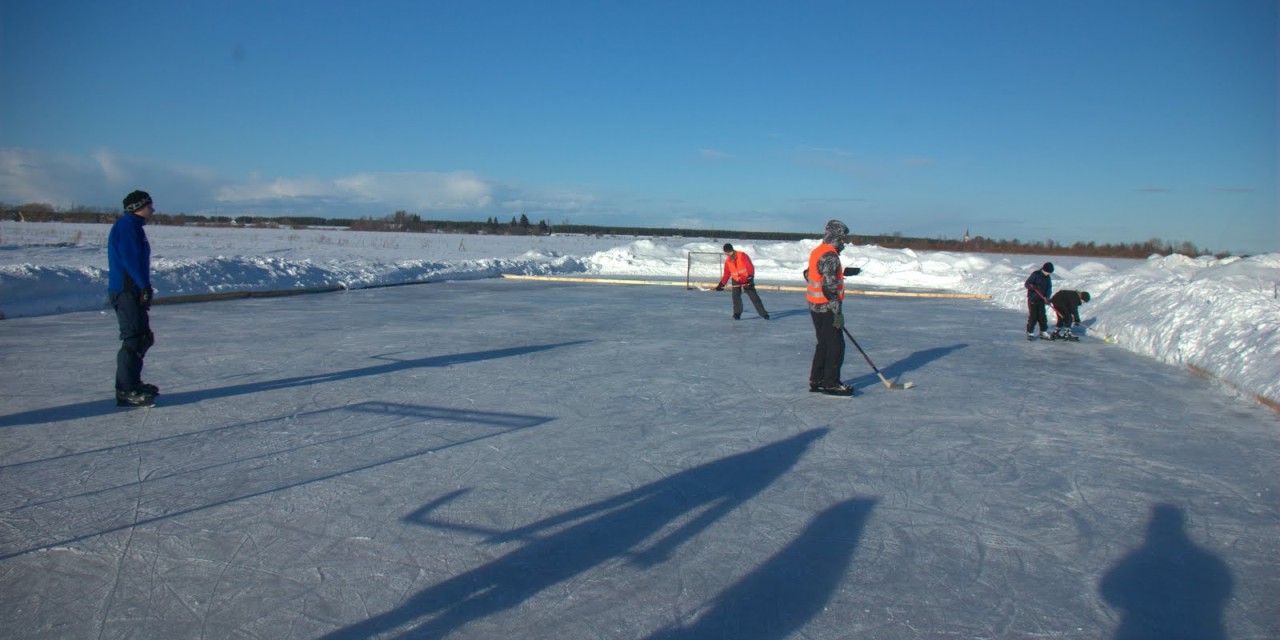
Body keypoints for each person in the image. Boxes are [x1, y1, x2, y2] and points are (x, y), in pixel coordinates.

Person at [108, 190, 158, 407]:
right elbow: (129, 259)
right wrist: (142, 286)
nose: (153, 210)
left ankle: (132, 383)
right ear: (139, 206)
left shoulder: (133, 226)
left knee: (143, 337)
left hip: (132, 289)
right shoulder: (128, 226)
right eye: (150, 205)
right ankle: (126, 390)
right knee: (134, 338)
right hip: (127, 290)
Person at [805, 220, 856, 395]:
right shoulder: (831, 256)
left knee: (824, 344)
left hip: (814, 306)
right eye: (841, 240)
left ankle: (817, 379)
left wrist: (839, 272)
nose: (843, 243)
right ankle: (831, 383)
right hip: (826, 308)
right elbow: (828, 287)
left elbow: (808, 273)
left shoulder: (818, 251)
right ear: (835, 238)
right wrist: (836, 312)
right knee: (836, 345)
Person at [715, 243, 769, 320]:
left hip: (746, 279)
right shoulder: (728, 261)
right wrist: (722, 284)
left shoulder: (742, 255)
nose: (726, 254)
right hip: (736, 280)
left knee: (753, 296)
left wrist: (750, 277)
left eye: (726, 252)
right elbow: (727, 273)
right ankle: (737, 313)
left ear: (728, 250)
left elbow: (749, 266)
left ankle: (763, 313)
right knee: (735, 296)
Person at [1024, 262, 1054, 340]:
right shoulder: (1036, 274)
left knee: (1042, 316)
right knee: (1033, 316)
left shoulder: (1048, 277)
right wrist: (1033, 287)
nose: (1048, 274)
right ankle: (1030, 332)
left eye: (1050, 272)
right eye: (1048, 272)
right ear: (1044, 270)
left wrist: (1047, 298)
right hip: (1033, 298)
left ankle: (1043, 331)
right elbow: (1027, 284)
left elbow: (1049, 288)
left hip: (1042, 299)